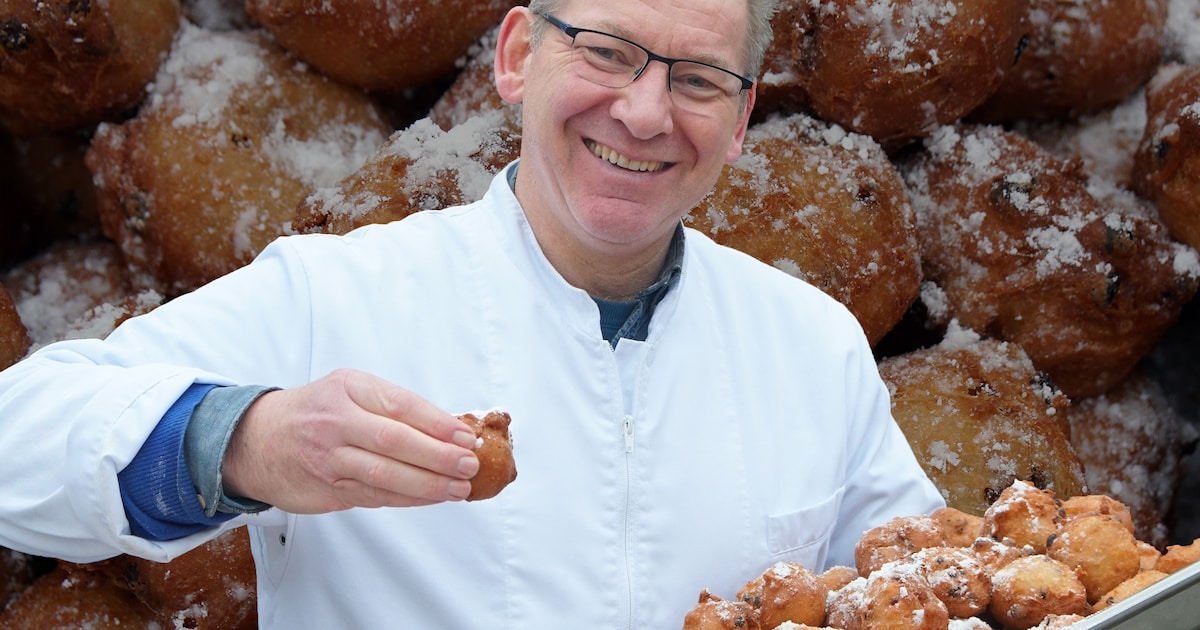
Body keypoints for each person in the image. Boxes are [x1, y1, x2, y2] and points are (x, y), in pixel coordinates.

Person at [0, 0, 945, 626]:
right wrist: (245, 442)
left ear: (739, 125)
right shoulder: (337, 295)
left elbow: (928, 580)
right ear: (518, 58)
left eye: (698, 80)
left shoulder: (811, 344)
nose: (648, 113)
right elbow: (18, 440)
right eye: (609, 53)